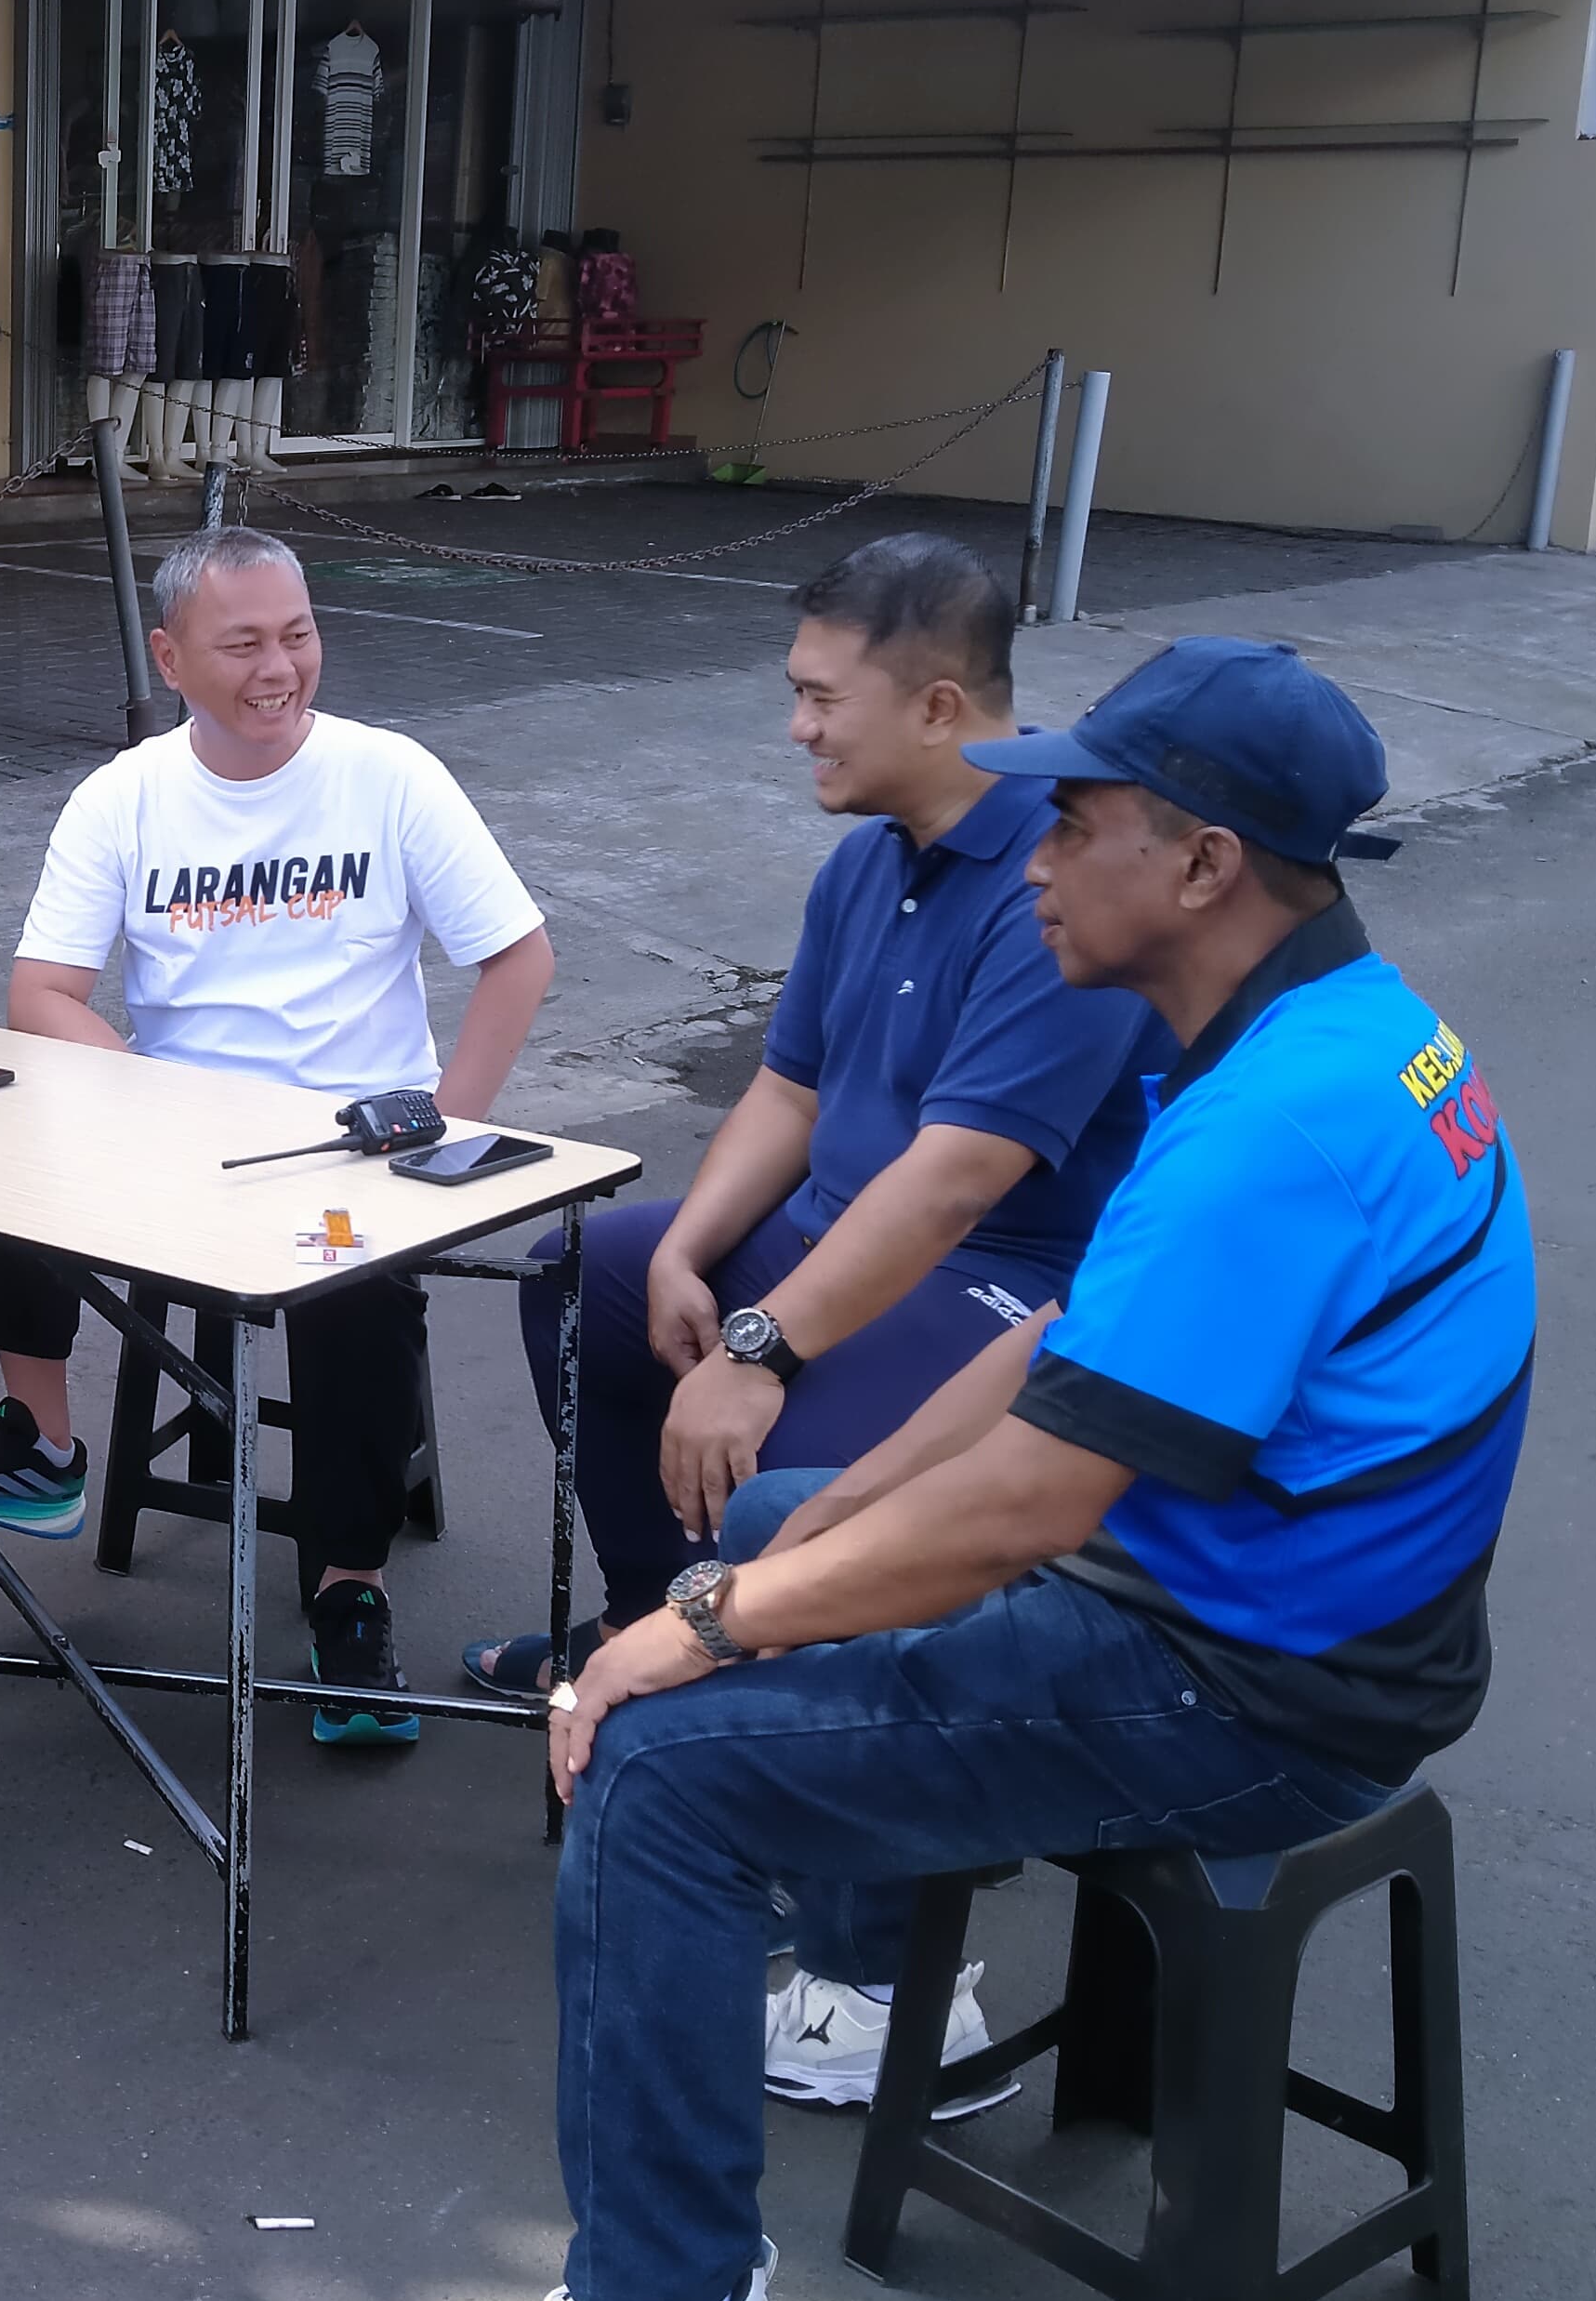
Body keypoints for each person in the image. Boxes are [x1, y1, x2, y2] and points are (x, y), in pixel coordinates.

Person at [390, 640, 1532, 2301]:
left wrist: (683, 1635)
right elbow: (1071, 1341)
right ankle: (842, 2010)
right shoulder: (1314, 1021)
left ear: (1197, 864)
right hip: (1275, 1603)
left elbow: (1029, 1512)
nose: (1030, 860)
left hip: (1250, 1684)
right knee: (779, 1516)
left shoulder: (1277, 1123)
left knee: (656, 1774)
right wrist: (817, 1525)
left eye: (1070, 822)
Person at [467, 541, 1171, 1843]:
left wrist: (759, 1342)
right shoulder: (866, 861)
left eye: (819, 699)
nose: (796, 730)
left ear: (938, 708)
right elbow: (791, 1092)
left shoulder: (1057, 883)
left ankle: (766, 1725)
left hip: (992, 1283)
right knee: (588, 1281)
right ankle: (653, 1618)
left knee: (779, 1461)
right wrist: (688, 1253)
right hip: (832, 1240)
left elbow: (959, 1182)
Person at [0, 524, 556, 1742]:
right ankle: (44, 1442)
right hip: (176, 1142)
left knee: (351, 1289)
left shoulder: (388, 776)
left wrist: (448, 1131)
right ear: (170, 657)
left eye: (298, 635)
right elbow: (43, 994)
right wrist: (151, 1106)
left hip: (353, 1151)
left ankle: (351, 1595)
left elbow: (517, 956)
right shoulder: (125, 798)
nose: (279, 667)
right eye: (243, 644)